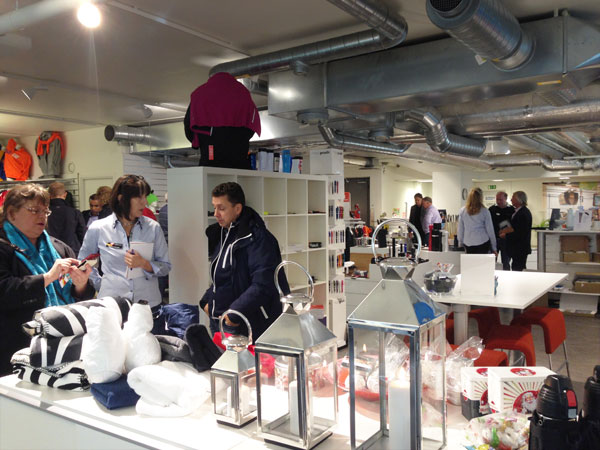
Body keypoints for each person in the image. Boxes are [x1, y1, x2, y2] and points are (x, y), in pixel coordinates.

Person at [0, 184, 94, 375]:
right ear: (11, 213)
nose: (42, 216)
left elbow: (82, 295)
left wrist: (81, 284)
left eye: (45, 211)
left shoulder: (59, 248)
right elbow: (4, 291)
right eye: (34, 210)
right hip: (15, 347)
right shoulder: (3, 247)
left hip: (62, 344)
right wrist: (48, 277)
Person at [199, 182, 289, 341]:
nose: (216, 214)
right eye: (214, 208)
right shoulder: (225, 234)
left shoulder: (259, 239)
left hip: (247, 323)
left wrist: (235, 314)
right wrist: (207, 301)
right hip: (222, 320)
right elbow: (223, 276)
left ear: (237, 209)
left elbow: (262, 285)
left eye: (221, 208)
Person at [78, 175, 170, 309]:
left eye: (145, 197)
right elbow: (83, 262)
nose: (145, 202)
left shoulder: (153, 227)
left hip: (147, 305)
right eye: (139, 197)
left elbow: (166, 266)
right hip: (112, 305)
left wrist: (144, 264)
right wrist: (100, 284)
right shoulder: (99, 228)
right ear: (121, 199)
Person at [46, 182, 86, 253]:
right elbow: (82, 234)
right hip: (72, 250)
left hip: (51, 249)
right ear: (65, 195)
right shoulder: (75, 212)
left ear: (49, 195)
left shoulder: (43, 213)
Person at [457, 187, 497, 254]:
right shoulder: (485, 211)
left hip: (468, 243)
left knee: (471, 261)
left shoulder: (462, 211)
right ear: (480, 197)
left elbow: (460, 229)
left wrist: (460, 243)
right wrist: (494, 247)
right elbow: (490, 230)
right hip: (482, 242)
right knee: (481, 261)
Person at [500, 191, 532, 271]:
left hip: (520, 248)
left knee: (518, 268)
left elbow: (520, 232)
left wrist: (506, 235)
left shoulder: (523, 213)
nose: (511, 200)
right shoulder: (517, 211)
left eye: (513, 198)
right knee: (515, 267)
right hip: (515, 247)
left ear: (519, 199)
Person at [489, 191, 515, 270]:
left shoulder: (511, 210)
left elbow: (514, 226)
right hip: (494, 239)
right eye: (497, 199)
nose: (498, 201)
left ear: (506, 199)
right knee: (491, 262)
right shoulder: (492, 209)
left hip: (506, 240)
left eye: (501, 199)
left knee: (506, 262)